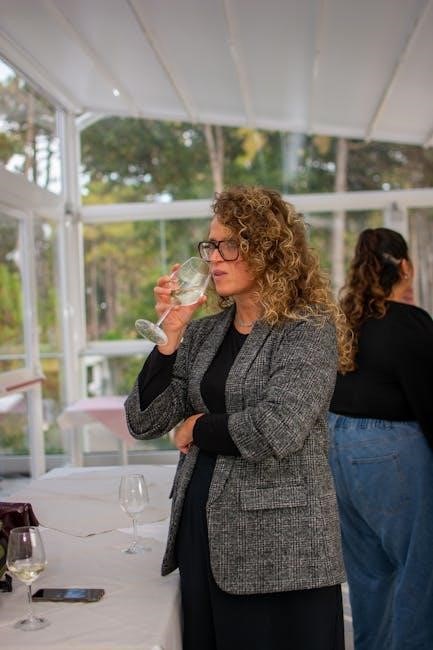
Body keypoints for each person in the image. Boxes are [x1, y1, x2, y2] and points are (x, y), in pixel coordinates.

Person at [125, 186, 352, 650]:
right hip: (202, 532)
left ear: (268, 249)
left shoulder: (307, 329)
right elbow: (144, 422)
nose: (213, 258)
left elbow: (278, 427)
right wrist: (170, 338)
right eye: (210, 245)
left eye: (229, 245)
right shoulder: (203, 333)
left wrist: (197, 427)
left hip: (282, 547)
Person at [328, 227, 433, 650]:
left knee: (369, 578)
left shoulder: (344, 322)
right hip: (391, 452)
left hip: (337, 448)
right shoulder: (409, 323)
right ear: (405, 267)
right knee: (420, 573)